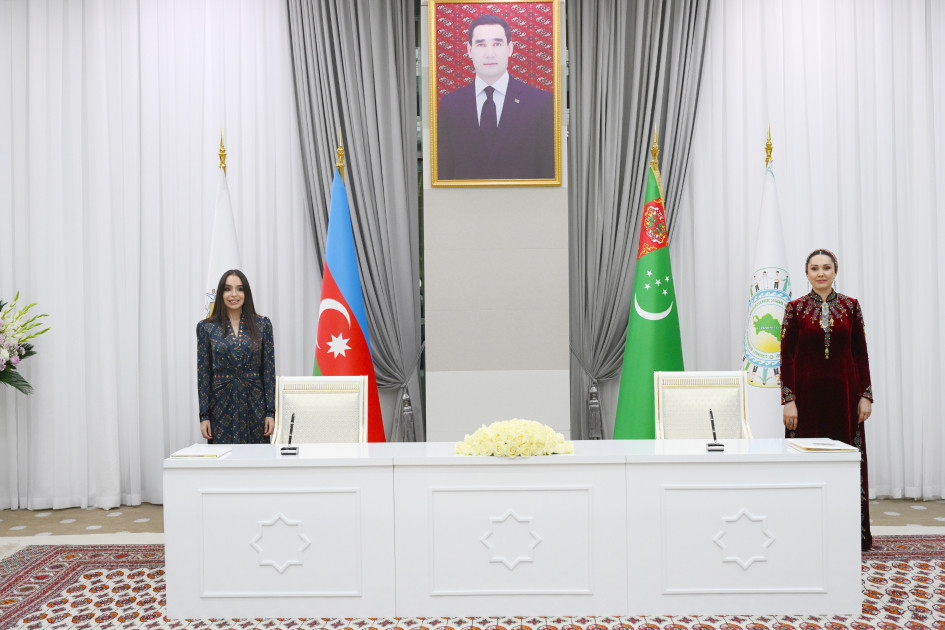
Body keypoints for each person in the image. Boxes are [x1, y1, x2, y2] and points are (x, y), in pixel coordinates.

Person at [780, 249, 874, 550]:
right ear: (806, 273)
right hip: (805, 402)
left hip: (845, 399)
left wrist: (865, 396)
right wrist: (789, 400)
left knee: (845, 462)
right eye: (814, 268)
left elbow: (860, 354)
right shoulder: (795, 309)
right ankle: (803, 532)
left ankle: (850, 532)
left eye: (826, 268)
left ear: (835, 271)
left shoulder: (851, 307)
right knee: (805, 461)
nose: (821, 273)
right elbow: (786, 357)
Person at [436, 13, 555, 181]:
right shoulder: (451, 105)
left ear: (510, 48)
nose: (489, 53)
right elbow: (444, 171)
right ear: (469, 50)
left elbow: (548, 171)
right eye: (481, 44)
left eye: (497, 44)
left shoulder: (540, 102)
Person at [197, 269, 276, 444]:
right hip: (220, 405)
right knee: (224, 457)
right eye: (228, 289)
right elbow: (203, 375)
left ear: (246, 293)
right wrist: (204, 416)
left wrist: (270, 412)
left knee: (256, 457)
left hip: (255, 403)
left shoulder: (262, 325)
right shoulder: (206, 328)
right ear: (221, 293)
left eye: (239, 289)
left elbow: (268, 372)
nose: (234, 294)